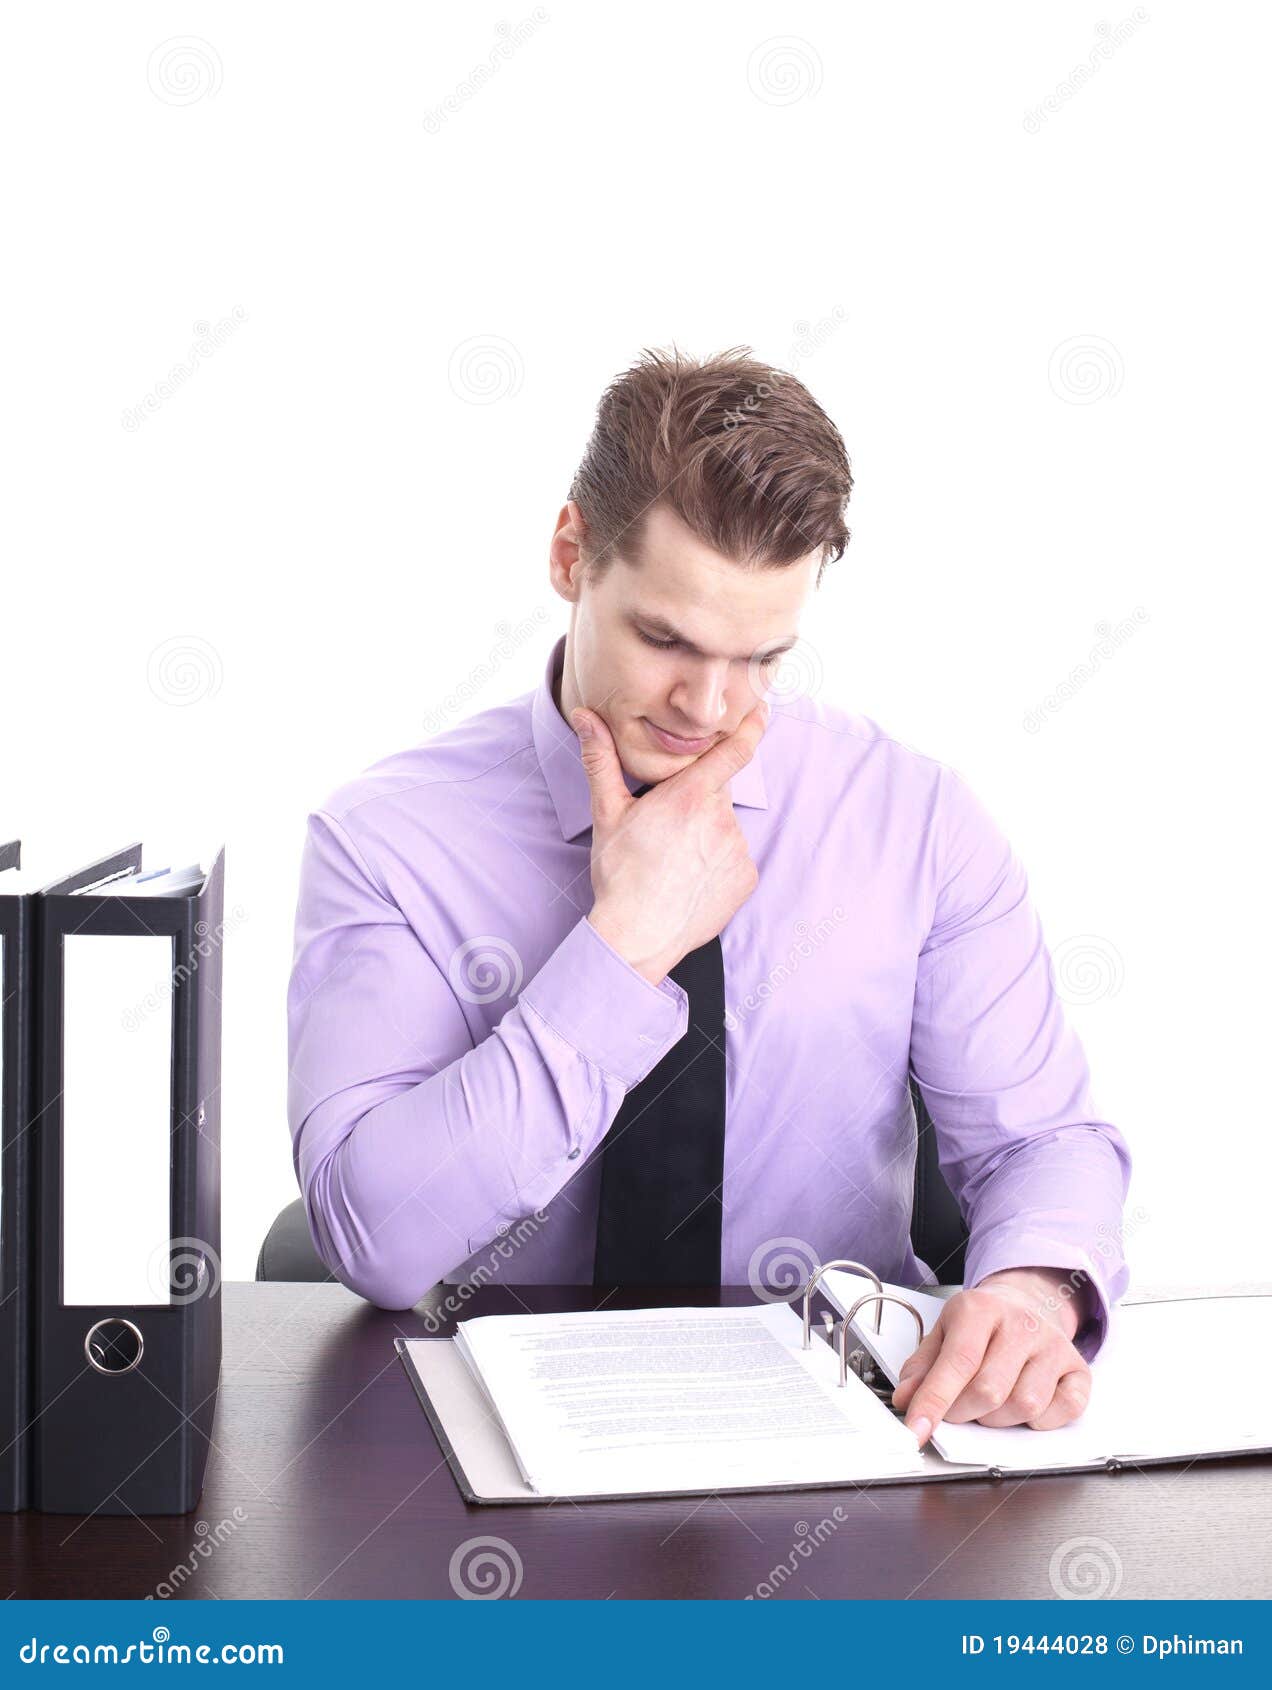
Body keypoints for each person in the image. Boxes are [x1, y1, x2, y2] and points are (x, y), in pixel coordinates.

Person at [286, 345, 1131, 1444]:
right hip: (483, 1444)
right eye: (664, 638)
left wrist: (1031, 1287)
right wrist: (621, 948)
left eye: (761, 657)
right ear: (568, 554)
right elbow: (374, 1237)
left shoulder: (912, 819)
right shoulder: (388, 837)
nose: (708, 703)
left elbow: (1040, 1143)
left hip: (844, 1438)